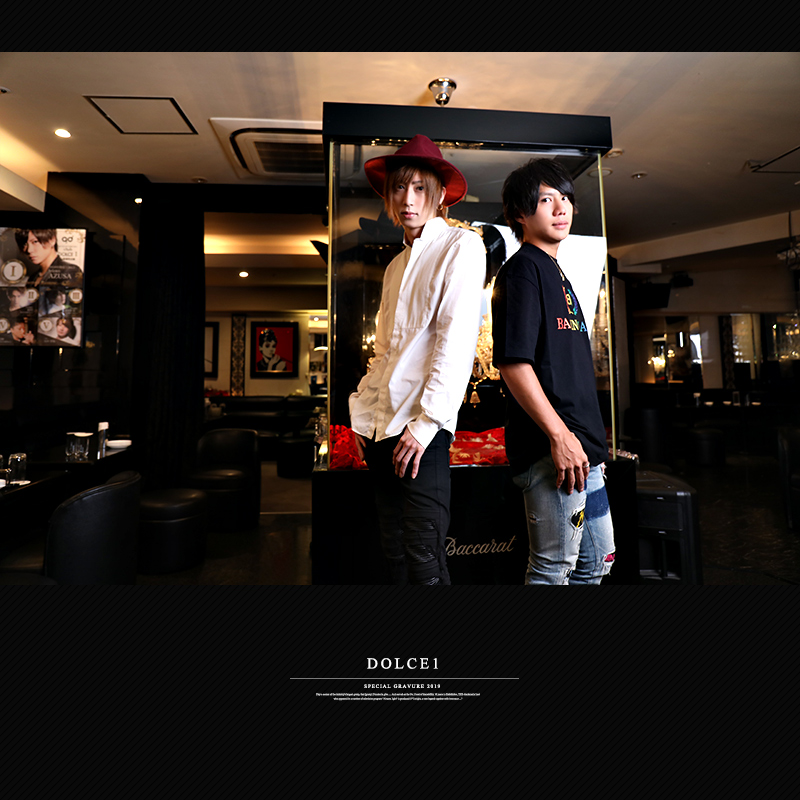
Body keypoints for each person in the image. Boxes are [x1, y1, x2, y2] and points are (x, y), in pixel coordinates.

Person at [348, 134, 486, 585]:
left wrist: (425, 425)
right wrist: (361, 413)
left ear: (441, 194)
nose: (409, 199)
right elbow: (384, 351)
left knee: (426, 561)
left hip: (421, 431)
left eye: (420, 188)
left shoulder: (462, 246)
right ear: (389, 197)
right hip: (379, 428)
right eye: (399, 188)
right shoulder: (394, 267)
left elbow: (455, 344)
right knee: (393, 555)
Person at [491, 158, 615, 584]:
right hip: (552, 453)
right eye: (546, 200)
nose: (562, 208)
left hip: (584, 453)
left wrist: (591, 445)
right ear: (519, 214)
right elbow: (513, 364)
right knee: (552, 570)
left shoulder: (556, 271)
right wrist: (560, 437)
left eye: (565, 198)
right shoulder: (522, 271)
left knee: (597, 562)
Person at [14, 228, 83, 287]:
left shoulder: (70, 271)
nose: (29, 250)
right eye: (25, 244)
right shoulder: (33, 277)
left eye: (35, 242)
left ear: (52, 240)